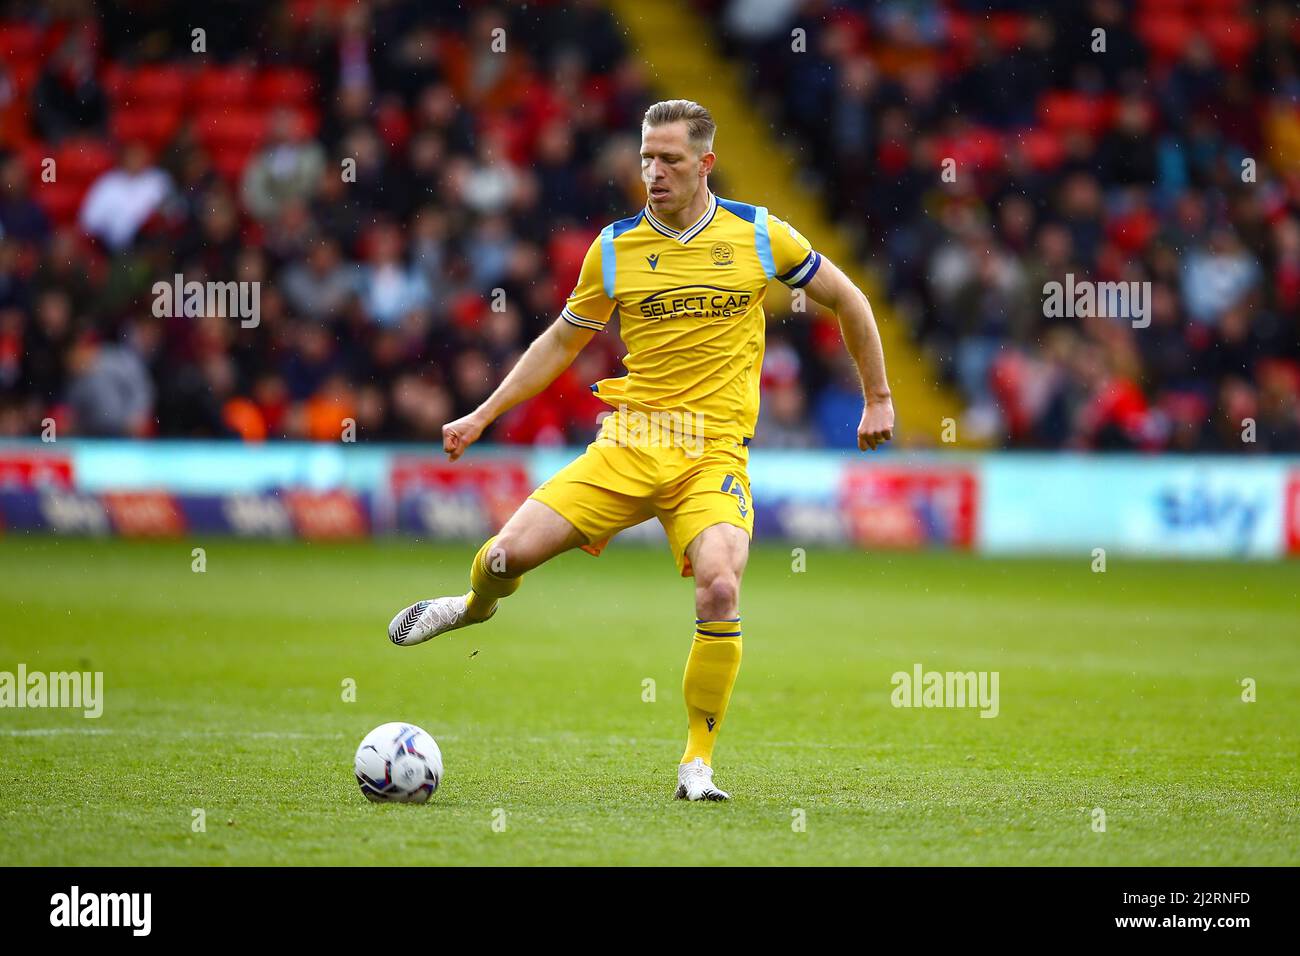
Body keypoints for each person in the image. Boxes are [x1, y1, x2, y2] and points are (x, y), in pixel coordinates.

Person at [386, 100, 895, 801]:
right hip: (630, 444)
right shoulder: (615, 247)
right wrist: (484, 413)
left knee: (720, 584)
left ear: (705, 164)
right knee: (506, 556)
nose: (653, 172)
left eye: (670, 160)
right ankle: (474, 606)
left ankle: (697, 763)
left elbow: (852, 300)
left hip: (714, 453)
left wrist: (879, 397)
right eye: (646, 158)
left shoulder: (759, 234)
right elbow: (562, 342)